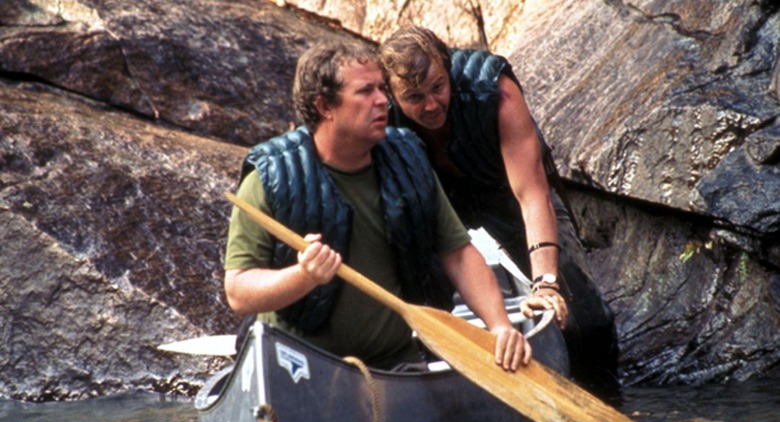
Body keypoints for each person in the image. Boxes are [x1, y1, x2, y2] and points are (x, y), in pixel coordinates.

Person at [223, 40, 562, 371]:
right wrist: (303, 276)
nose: (384, 100)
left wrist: (499, 325)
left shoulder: (408, 159)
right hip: (299, 369)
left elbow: (458, 255)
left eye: (382, 89)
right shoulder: (270, 178)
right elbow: (238, 292)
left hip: (394, 365)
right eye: (365, 92)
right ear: (325, 107)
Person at [379, 26, 619, 392]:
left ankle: (607, 397)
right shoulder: (379, 115)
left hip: (507, 193)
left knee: (585, 319)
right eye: (413, 96)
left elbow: (532, 194)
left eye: (437, 88)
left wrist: (547, 284)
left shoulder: (495, 90)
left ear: (447, 68)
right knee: (424, 306)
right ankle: (435, 389)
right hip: (434, 204)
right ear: (391, 94)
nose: (430, 105)